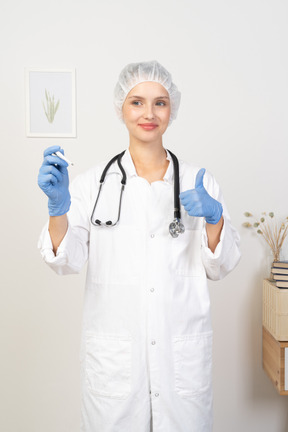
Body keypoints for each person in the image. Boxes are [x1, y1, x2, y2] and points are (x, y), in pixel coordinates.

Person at [38, 60, 241, 432]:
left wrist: (215, 220)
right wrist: (58, 208)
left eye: (160, 103)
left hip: (181, 360)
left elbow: (221, 265)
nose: (149, 113)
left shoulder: (199, 181)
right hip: (116, 363)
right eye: (137, 102)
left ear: (172, 109)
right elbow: (65, 260)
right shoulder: (91, 185)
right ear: (121, 108)